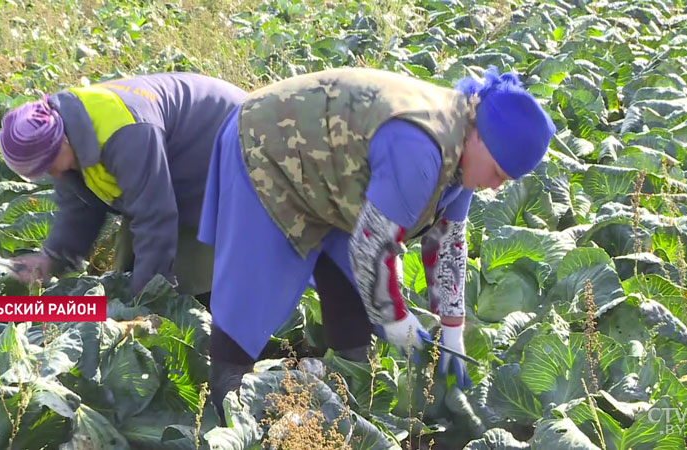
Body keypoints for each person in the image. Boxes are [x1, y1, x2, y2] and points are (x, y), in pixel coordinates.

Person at [196, 66, 556, 419]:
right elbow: (370, 251)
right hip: (270, 144)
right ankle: (226, 390)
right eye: (497, 172)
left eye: (505, 181)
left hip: (334, 177)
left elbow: (447, 244)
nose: (495, 186)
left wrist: (452, 330)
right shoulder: (422, 151)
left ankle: (348, 382)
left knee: (347, 282)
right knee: (254, 278)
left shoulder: (464, 157)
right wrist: (397, 321)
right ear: (480, 137)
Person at [0, 73, 247, 298]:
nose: (52, 173)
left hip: (228, 142)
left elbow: (155, 217)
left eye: (49, 166)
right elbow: (79, 209)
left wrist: (148, 302)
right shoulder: (64, 132)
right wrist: (50, 261)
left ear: (61, 142)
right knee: (130, 264)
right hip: (169, 160)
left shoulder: (126, 134)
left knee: (194, 274)